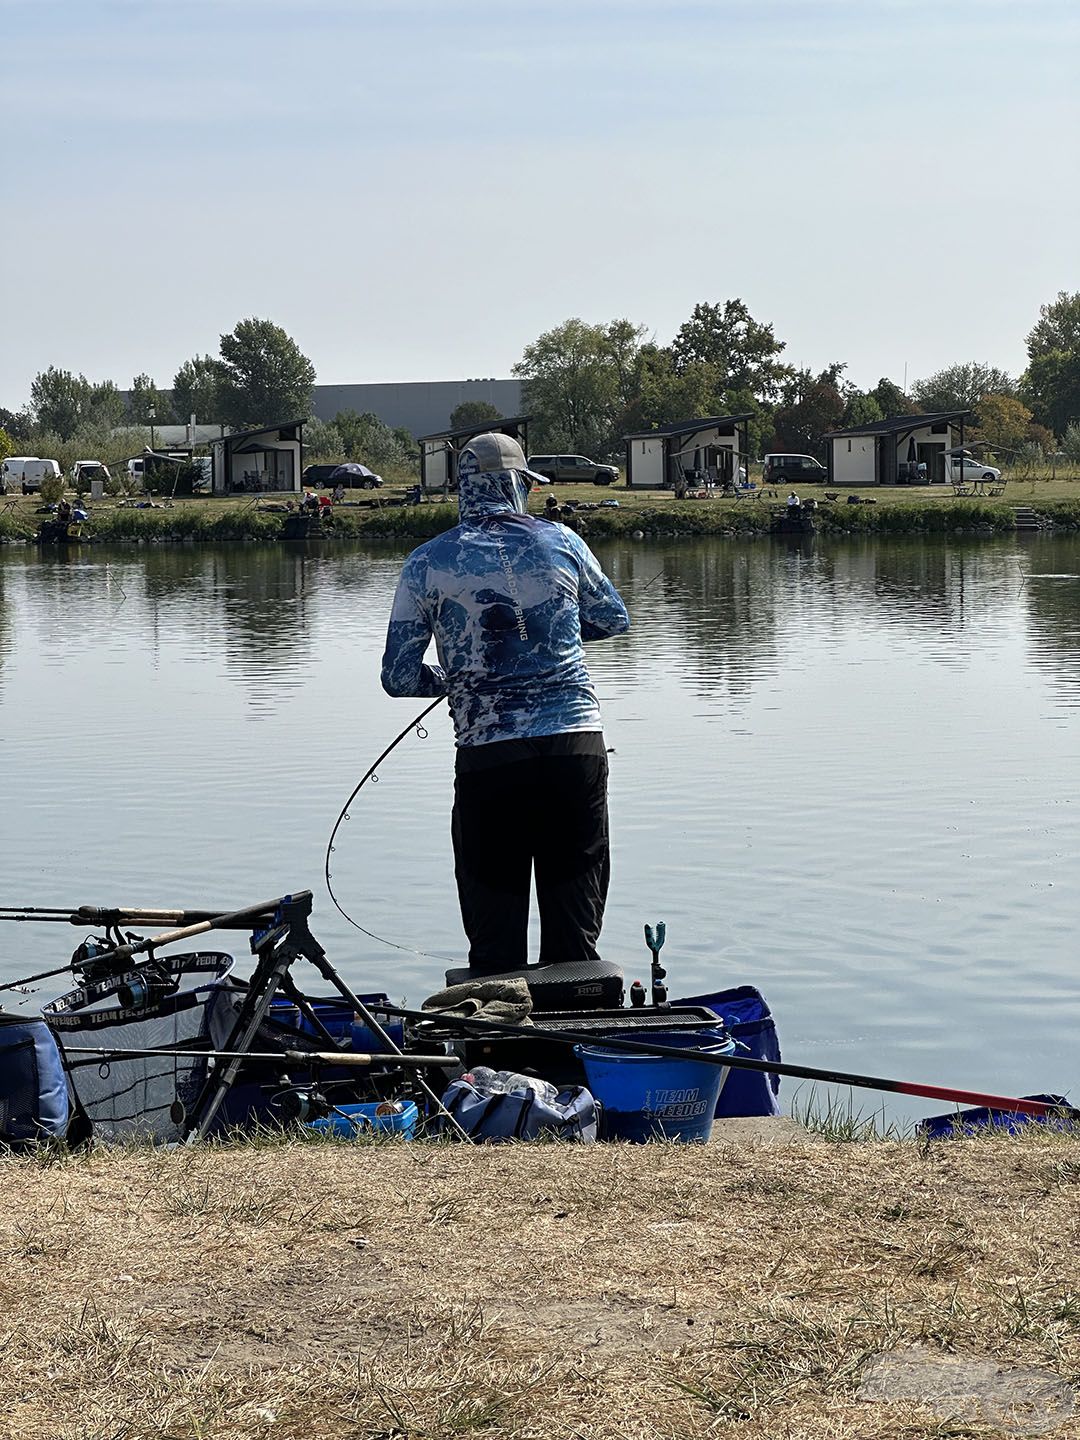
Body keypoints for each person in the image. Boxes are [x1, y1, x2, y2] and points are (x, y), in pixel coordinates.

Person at [381, 432, 629, 977]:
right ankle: (573, 1048)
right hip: (575, 752)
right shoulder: (562, 542)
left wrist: (456, 679)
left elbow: (397, 678)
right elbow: (615, 619)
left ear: (462, 489)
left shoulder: (428, 562)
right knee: (575, 947)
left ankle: (498, 1049)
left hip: (490, 759)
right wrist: (548, 639)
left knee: (495, 948)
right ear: (518, 483)